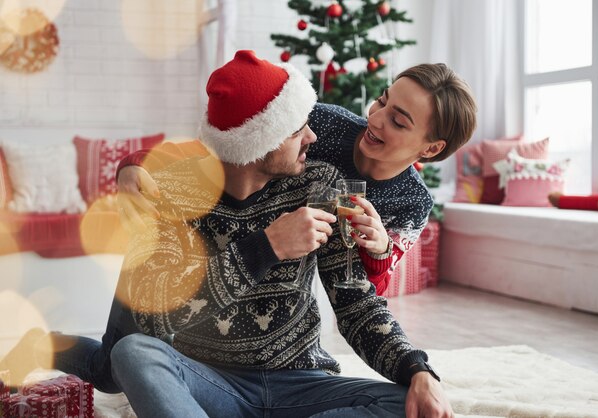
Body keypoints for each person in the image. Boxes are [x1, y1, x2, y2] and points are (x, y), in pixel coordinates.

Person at [1, 50, 453, 417]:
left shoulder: (323, 185)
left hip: (299, 381)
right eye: (299, 129)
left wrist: (417, 370)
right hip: (209, 379)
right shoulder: (172, 194)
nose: (314, 136)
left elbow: (357, 301)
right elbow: (159, 320)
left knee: (402, 403)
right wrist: (267, 247)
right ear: (261, 142)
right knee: (128, 354)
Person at [116, 62, 478, 295]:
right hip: (236, 242)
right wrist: (138, 163)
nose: (377, 118)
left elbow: (371, 290)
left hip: (293, 286)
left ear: (430, 150)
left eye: (398, 121)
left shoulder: (411, 203)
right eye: (382, 101)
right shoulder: (323, 122)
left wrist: (380, 248)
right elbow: (226, 145)